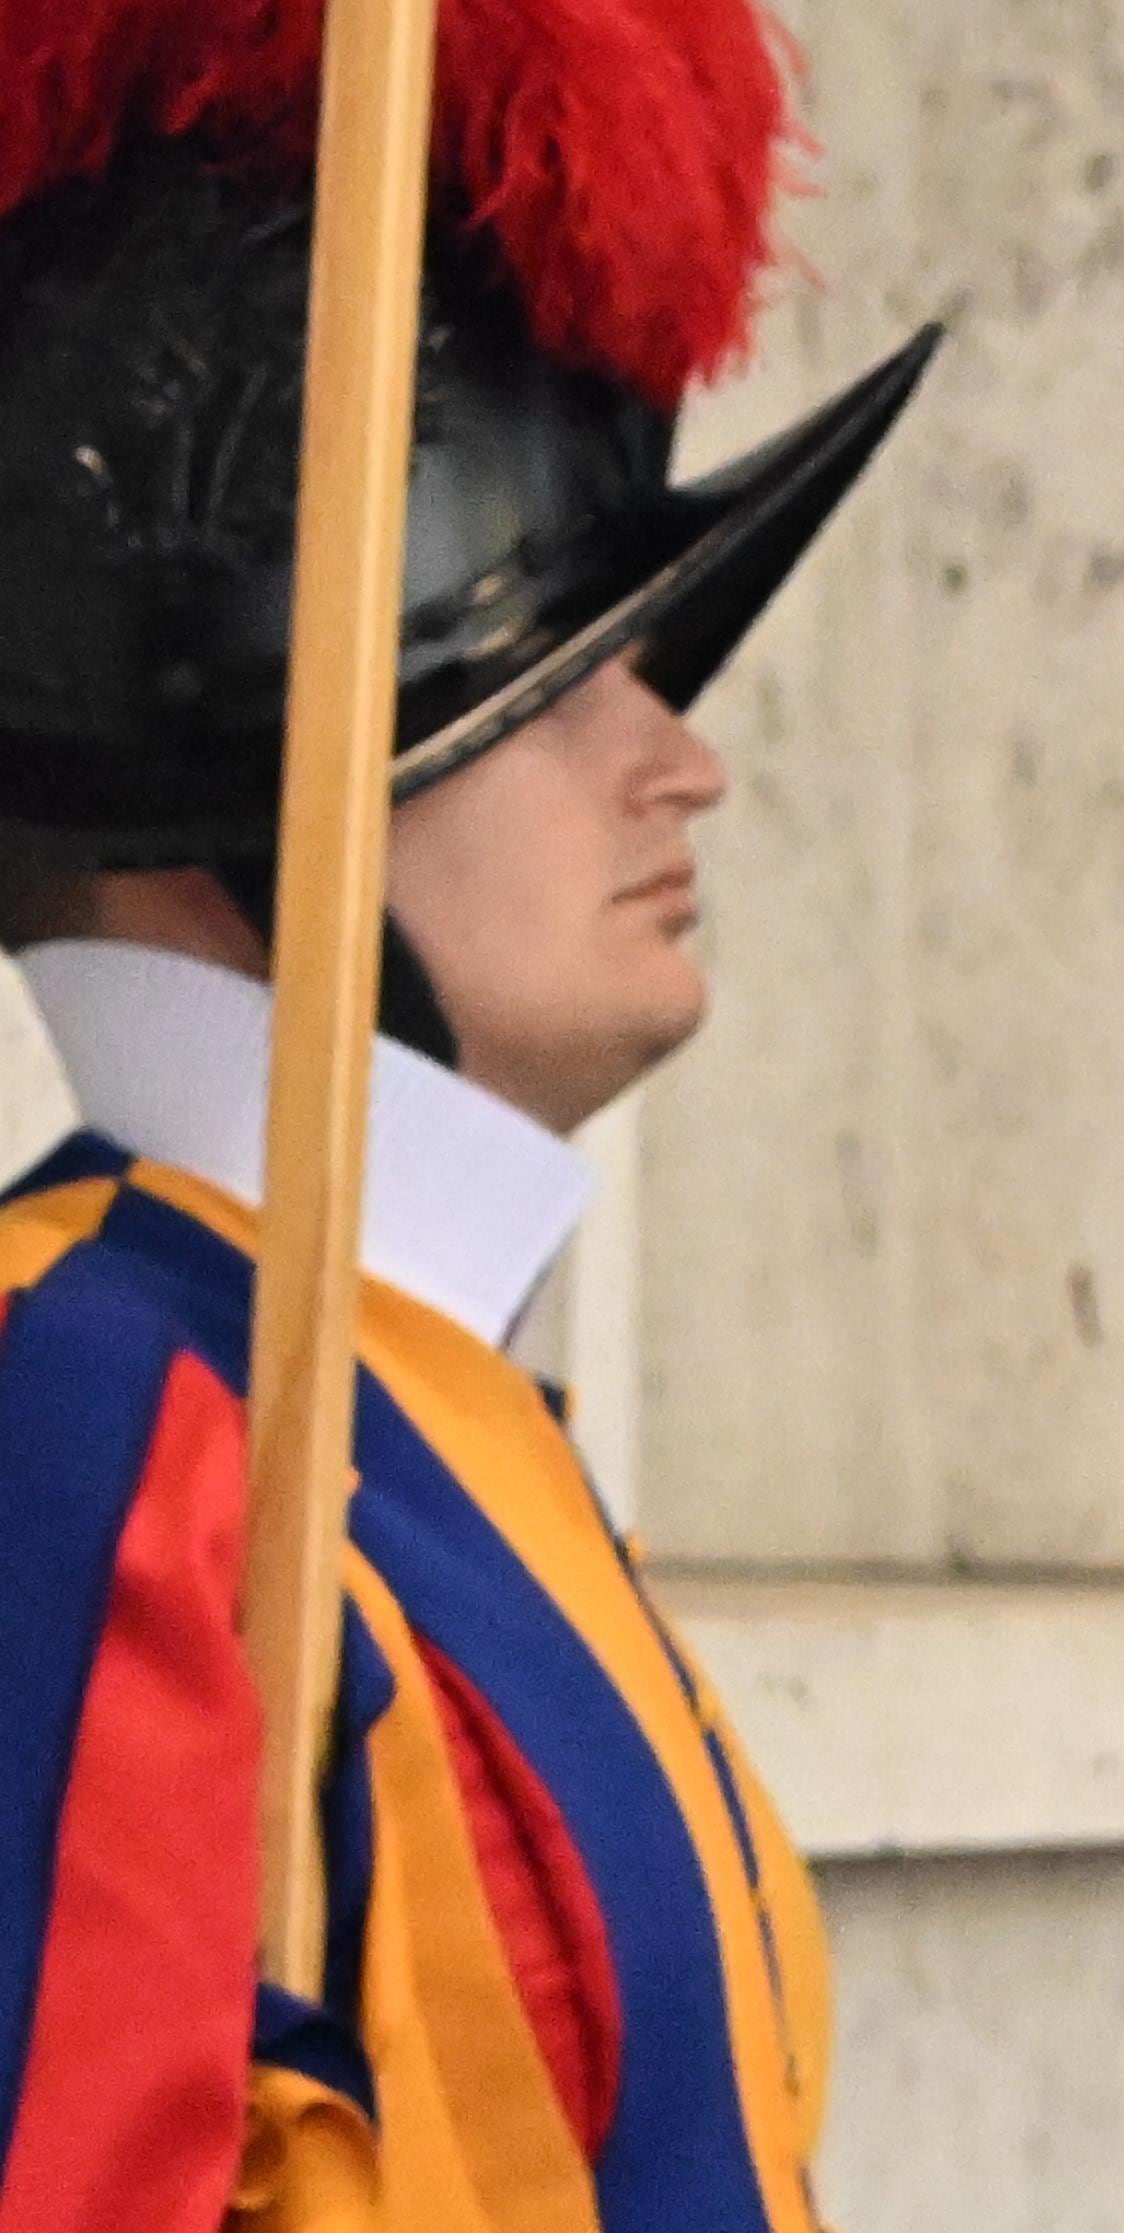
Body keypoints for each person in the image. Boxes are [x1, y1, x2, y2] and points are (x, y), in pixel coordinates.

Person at [0, 3, 937, 2228]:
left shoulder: (380, 1393)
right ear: (253, 759)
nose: (677, 759)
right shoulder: (93, 1412)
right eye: (558, 679)